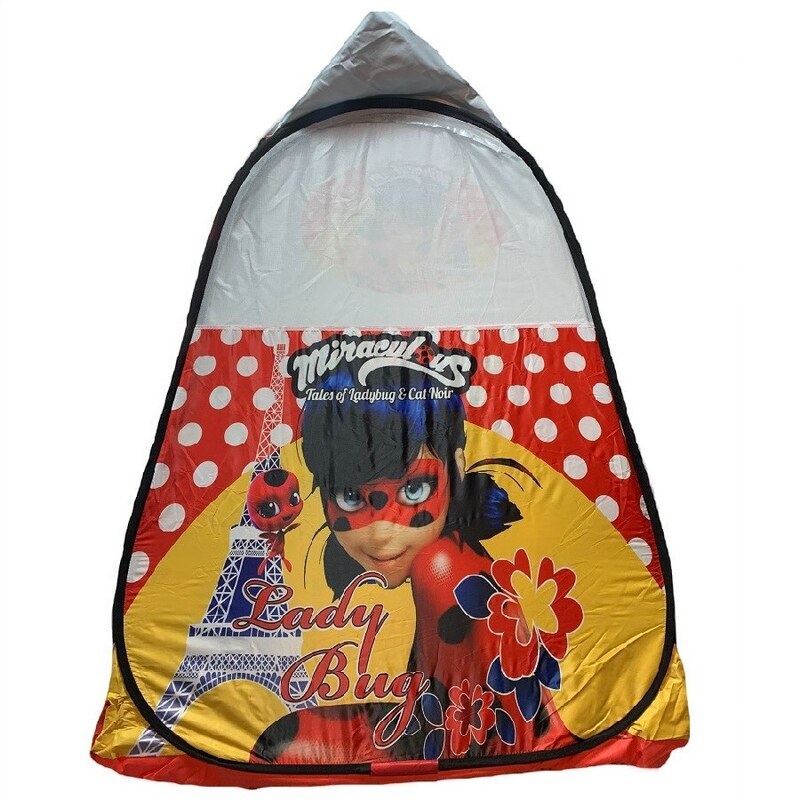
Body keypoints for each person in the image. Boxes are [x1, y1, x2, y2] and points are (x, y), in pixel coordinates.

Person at [252, 344, 576, 764]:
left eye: (414, 489)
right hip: (446, 728)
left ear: (457, 468)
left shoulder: (443, 567)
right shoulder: (448, 561)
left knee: (277, 747)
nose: (382, 534)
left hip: (468, 744)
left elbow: (470, 741)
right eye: (350, 496)